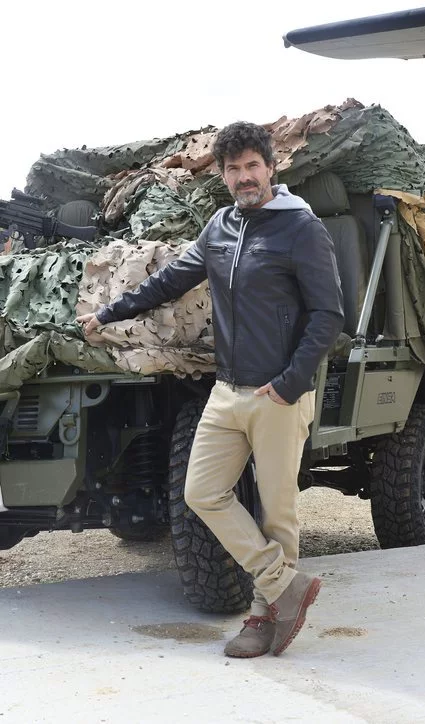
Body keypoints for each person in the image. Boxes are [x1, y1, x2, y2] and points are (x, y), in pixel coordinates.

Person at [77, 122, 344, 657]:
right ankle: (284, 585)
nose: (244, 177)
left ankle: (262, 618)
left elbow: (328, 314)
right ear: (222, 175)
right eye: (233, 169)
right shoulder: (220, 226)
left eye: (252, 166)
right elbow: (171, 279)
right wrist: (108, 313)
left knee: (276, 513)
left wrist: (290, 383)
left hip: (277, 394)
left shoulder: (301, 228)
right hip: (226, 392)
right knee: (201, 492)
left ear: (271, 167)